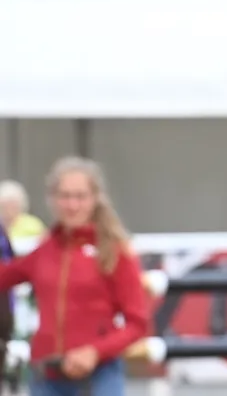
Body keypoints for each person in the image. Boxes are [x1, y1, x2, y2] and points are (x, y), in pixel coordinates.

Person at [0, 158, 150, 396]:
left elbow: (137, 323)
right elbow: (5, 277)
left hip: (99, 377)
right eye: (64, 196)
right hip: (46, 377)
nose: (72, 205)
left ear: (95, 199)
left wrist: (95, 351)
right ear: (52, 199)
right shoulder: (46, 250)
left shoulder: (114, 251)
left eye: (80, 196)